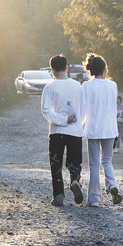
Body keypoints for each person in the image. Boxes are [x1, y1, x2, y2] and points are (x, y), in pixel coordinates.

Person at [40, 55, 84, 207]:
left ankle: (58, 195)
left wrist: (62, 120)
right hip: (75, 131)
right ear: (67, 68)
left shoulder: (50, 87)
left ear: (52, 70)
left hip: (56, 131)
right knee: (75, 162)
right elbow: (83, 109)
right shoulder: (78, 86)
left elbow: (45, 110)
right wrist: (78, 123)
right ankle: (75, 181)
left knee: (56, 162)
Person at [81, 53, 123, 207]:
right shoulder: (113, 85)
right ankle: (112, 185)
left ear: (90, 69)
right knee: (106, 161)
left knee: (93, 164)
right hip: (109, 129)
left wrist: (79, 127)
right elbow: (113, 109)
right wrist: (116, 132)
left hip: (93, 129)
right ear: (105, 69)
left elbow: (83, 109)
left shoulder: (86, 86)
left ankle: (94, 199)